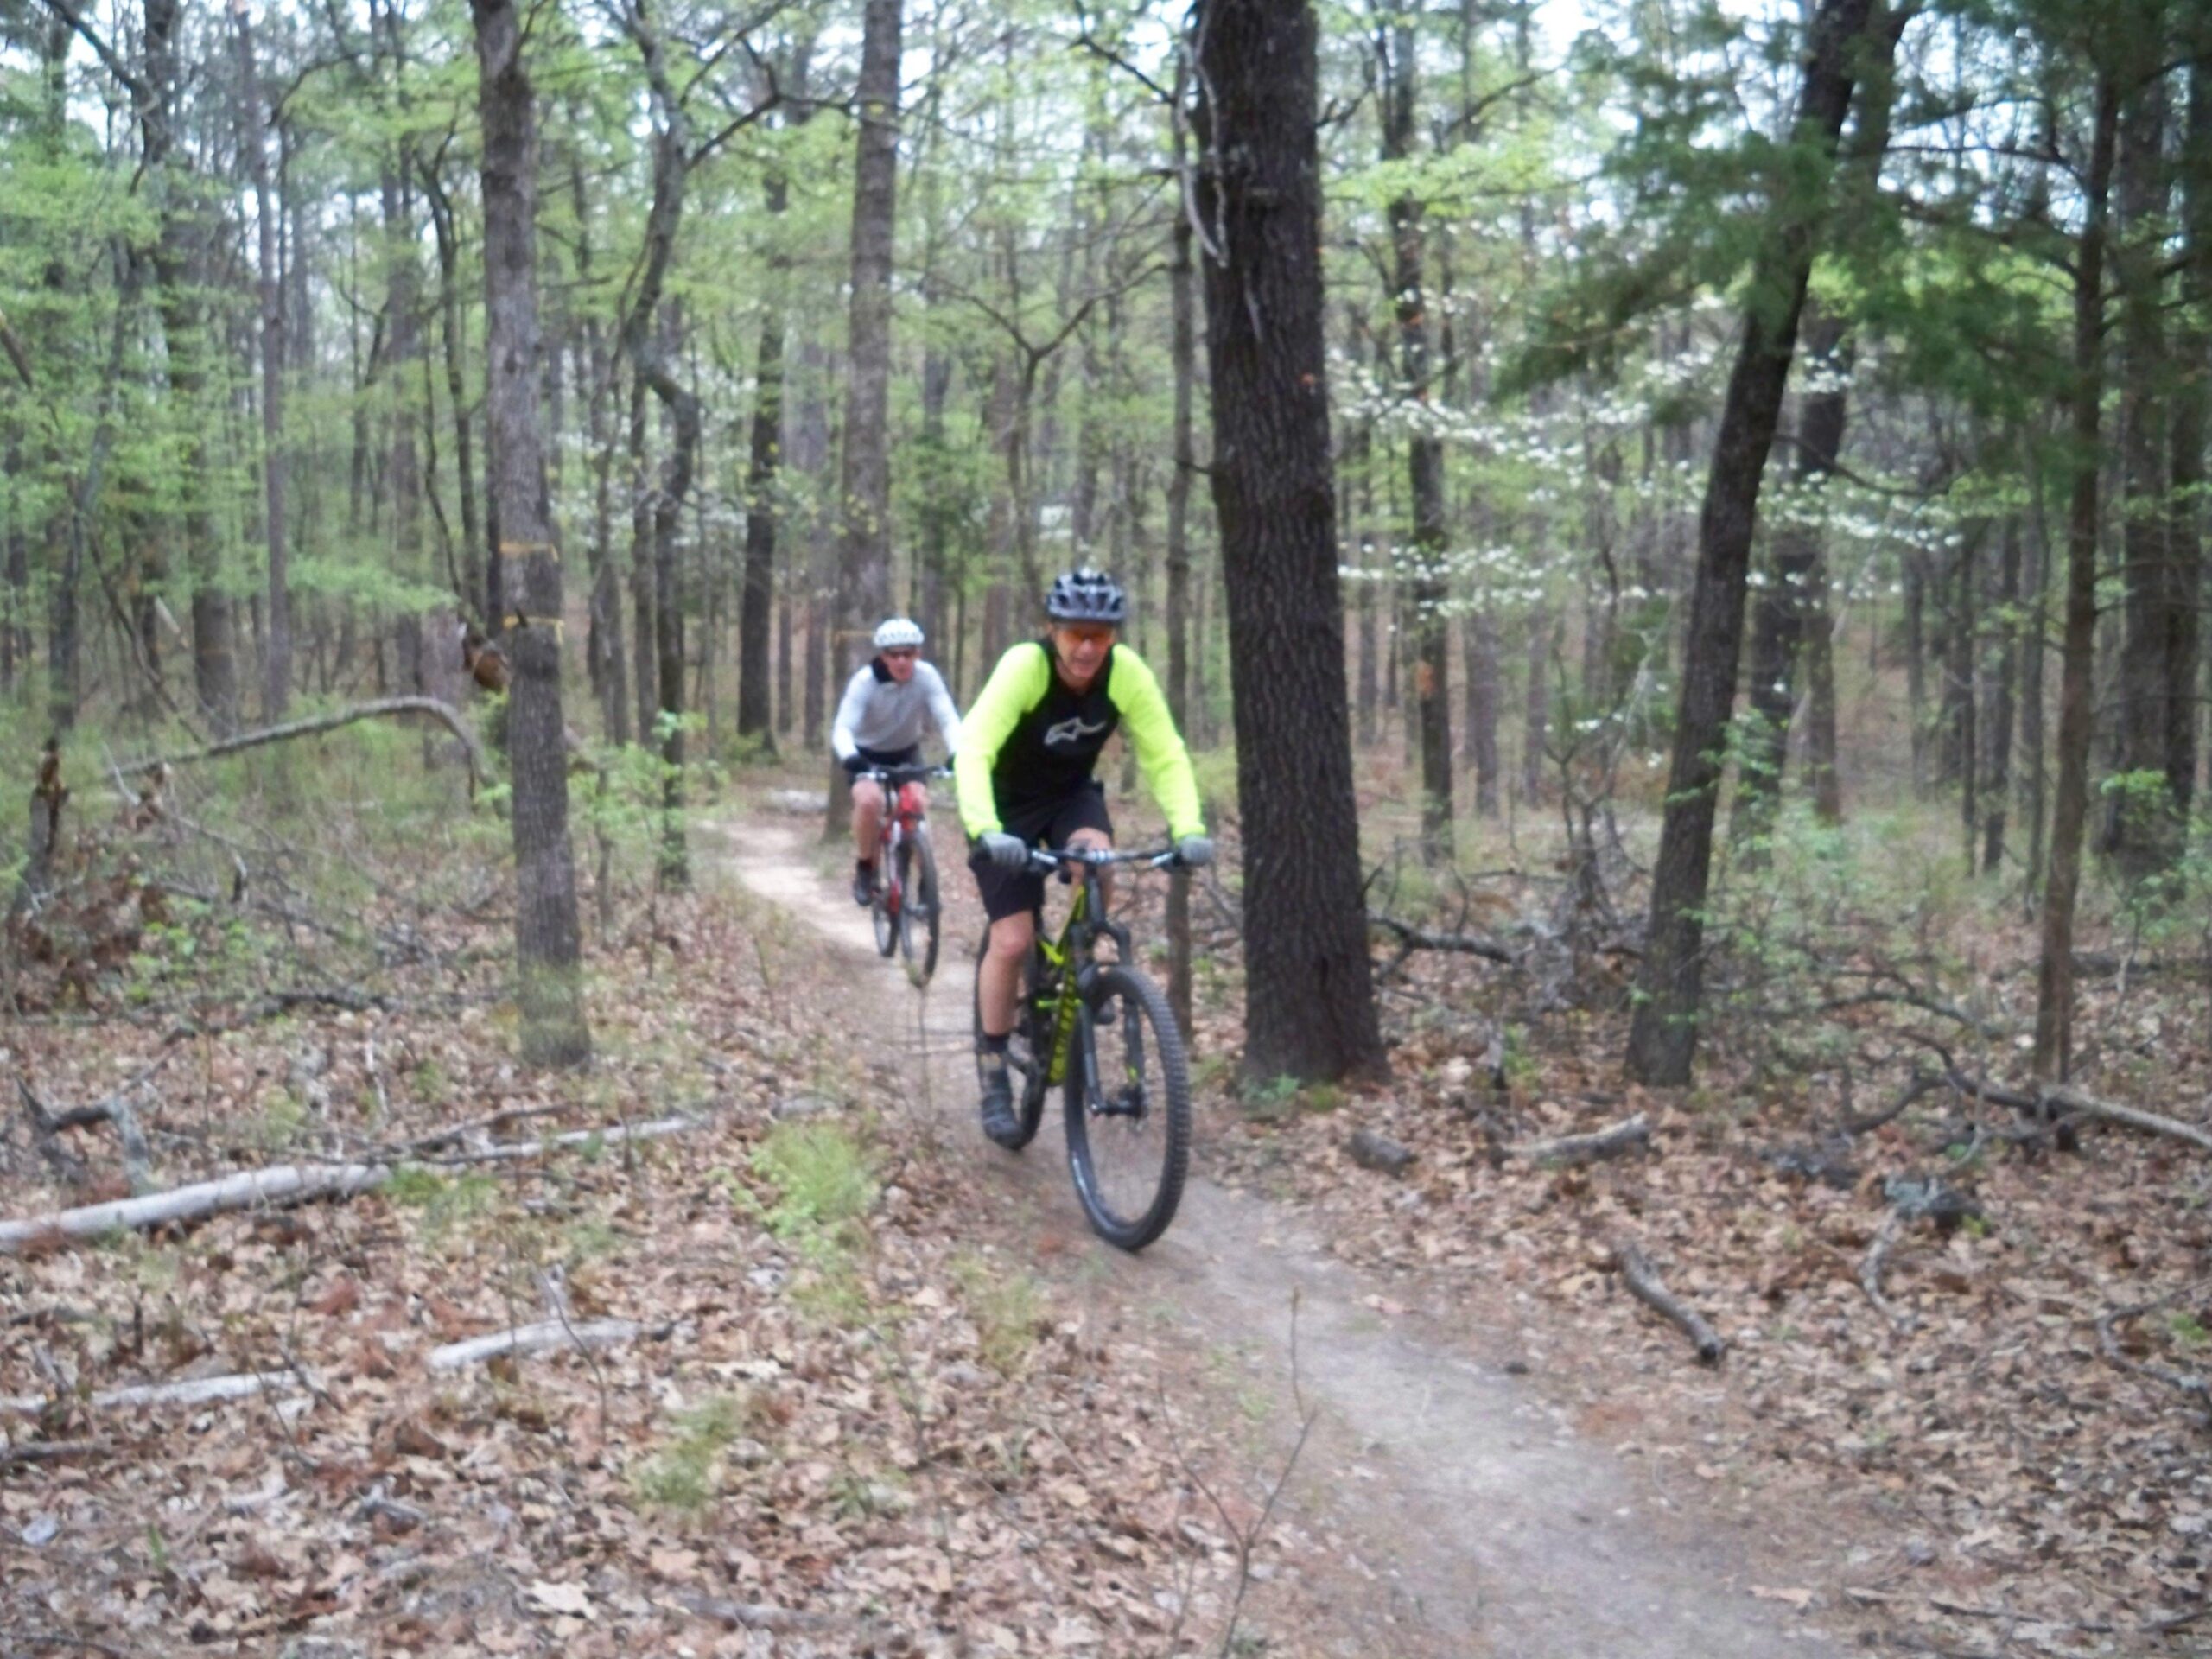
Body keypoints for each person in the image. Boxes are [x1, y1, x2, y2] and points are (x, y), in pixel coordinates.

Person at [956, 568, 1211, 1147]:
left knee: (1098, 862)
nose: (1088, 647)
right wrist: (985, 828)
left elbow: (1165, 752)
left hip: (1070, 796)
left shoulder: (1126, 674)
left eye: (1100, 634)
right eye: (1076, 634)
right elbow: (973, 747)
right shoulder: (1026, 666)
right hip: (1004, 807)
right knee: (1013, 939)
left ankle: (1081, 967)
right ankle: (994, 1070)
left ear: (1114, 636)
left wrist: (1189, 826)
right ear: (1053, 631)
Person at [832, 618, 963, 906]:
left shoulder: (927, 676)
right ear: (883, 656)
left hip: (905, 752)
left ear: (918, 653)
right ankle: (866, 867)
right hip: (866, 755)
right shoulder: (865, 682)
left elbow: (948, 717)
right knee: (868, 802)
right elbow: (842, 728)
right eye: (894, 654)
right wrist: (851, 758)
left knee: (916, 803)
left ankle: (925, 881)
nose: (902, 661)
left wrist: (957, 752)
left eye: (909, 653)